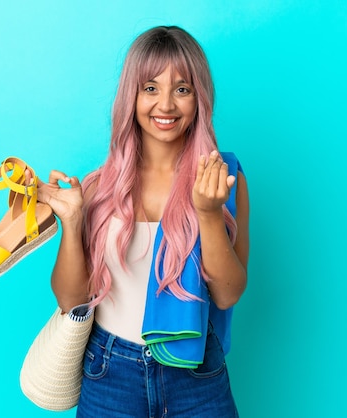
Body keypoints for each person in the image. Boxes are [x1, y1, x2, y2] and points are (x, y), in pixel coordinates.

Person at [36, 25, 249, 417]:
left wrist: (207, 212)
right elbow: (71, 300)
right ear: (130, 97)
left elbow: (228, 293)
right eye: (150, 88)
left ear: (199, 98)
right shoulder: (100, 185)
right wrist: (71, 221)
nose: (165, 105)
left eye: (181, 89)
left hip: (195, 372)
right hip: (110, 370)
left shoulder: (223, 176)